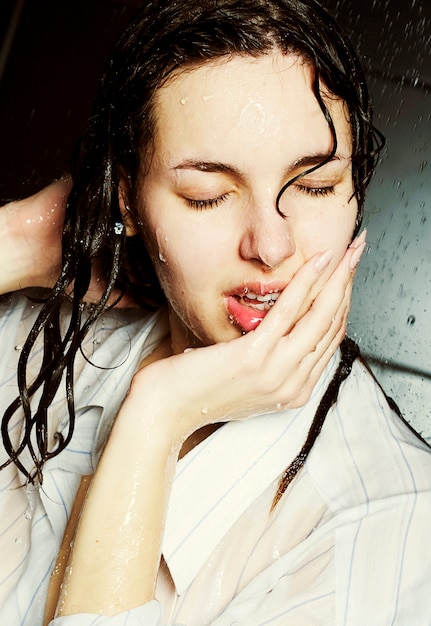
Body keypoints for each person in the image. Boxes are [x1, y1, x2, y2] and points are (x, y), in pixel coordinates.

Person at [1, 0, 431, 624]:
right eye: (207, 196)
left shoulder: (398, 533)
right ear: (128, 198)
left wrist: (157, 415)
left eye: (314, 186)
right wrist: (17, 242)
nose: (271, 245)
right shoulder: (44, 341)